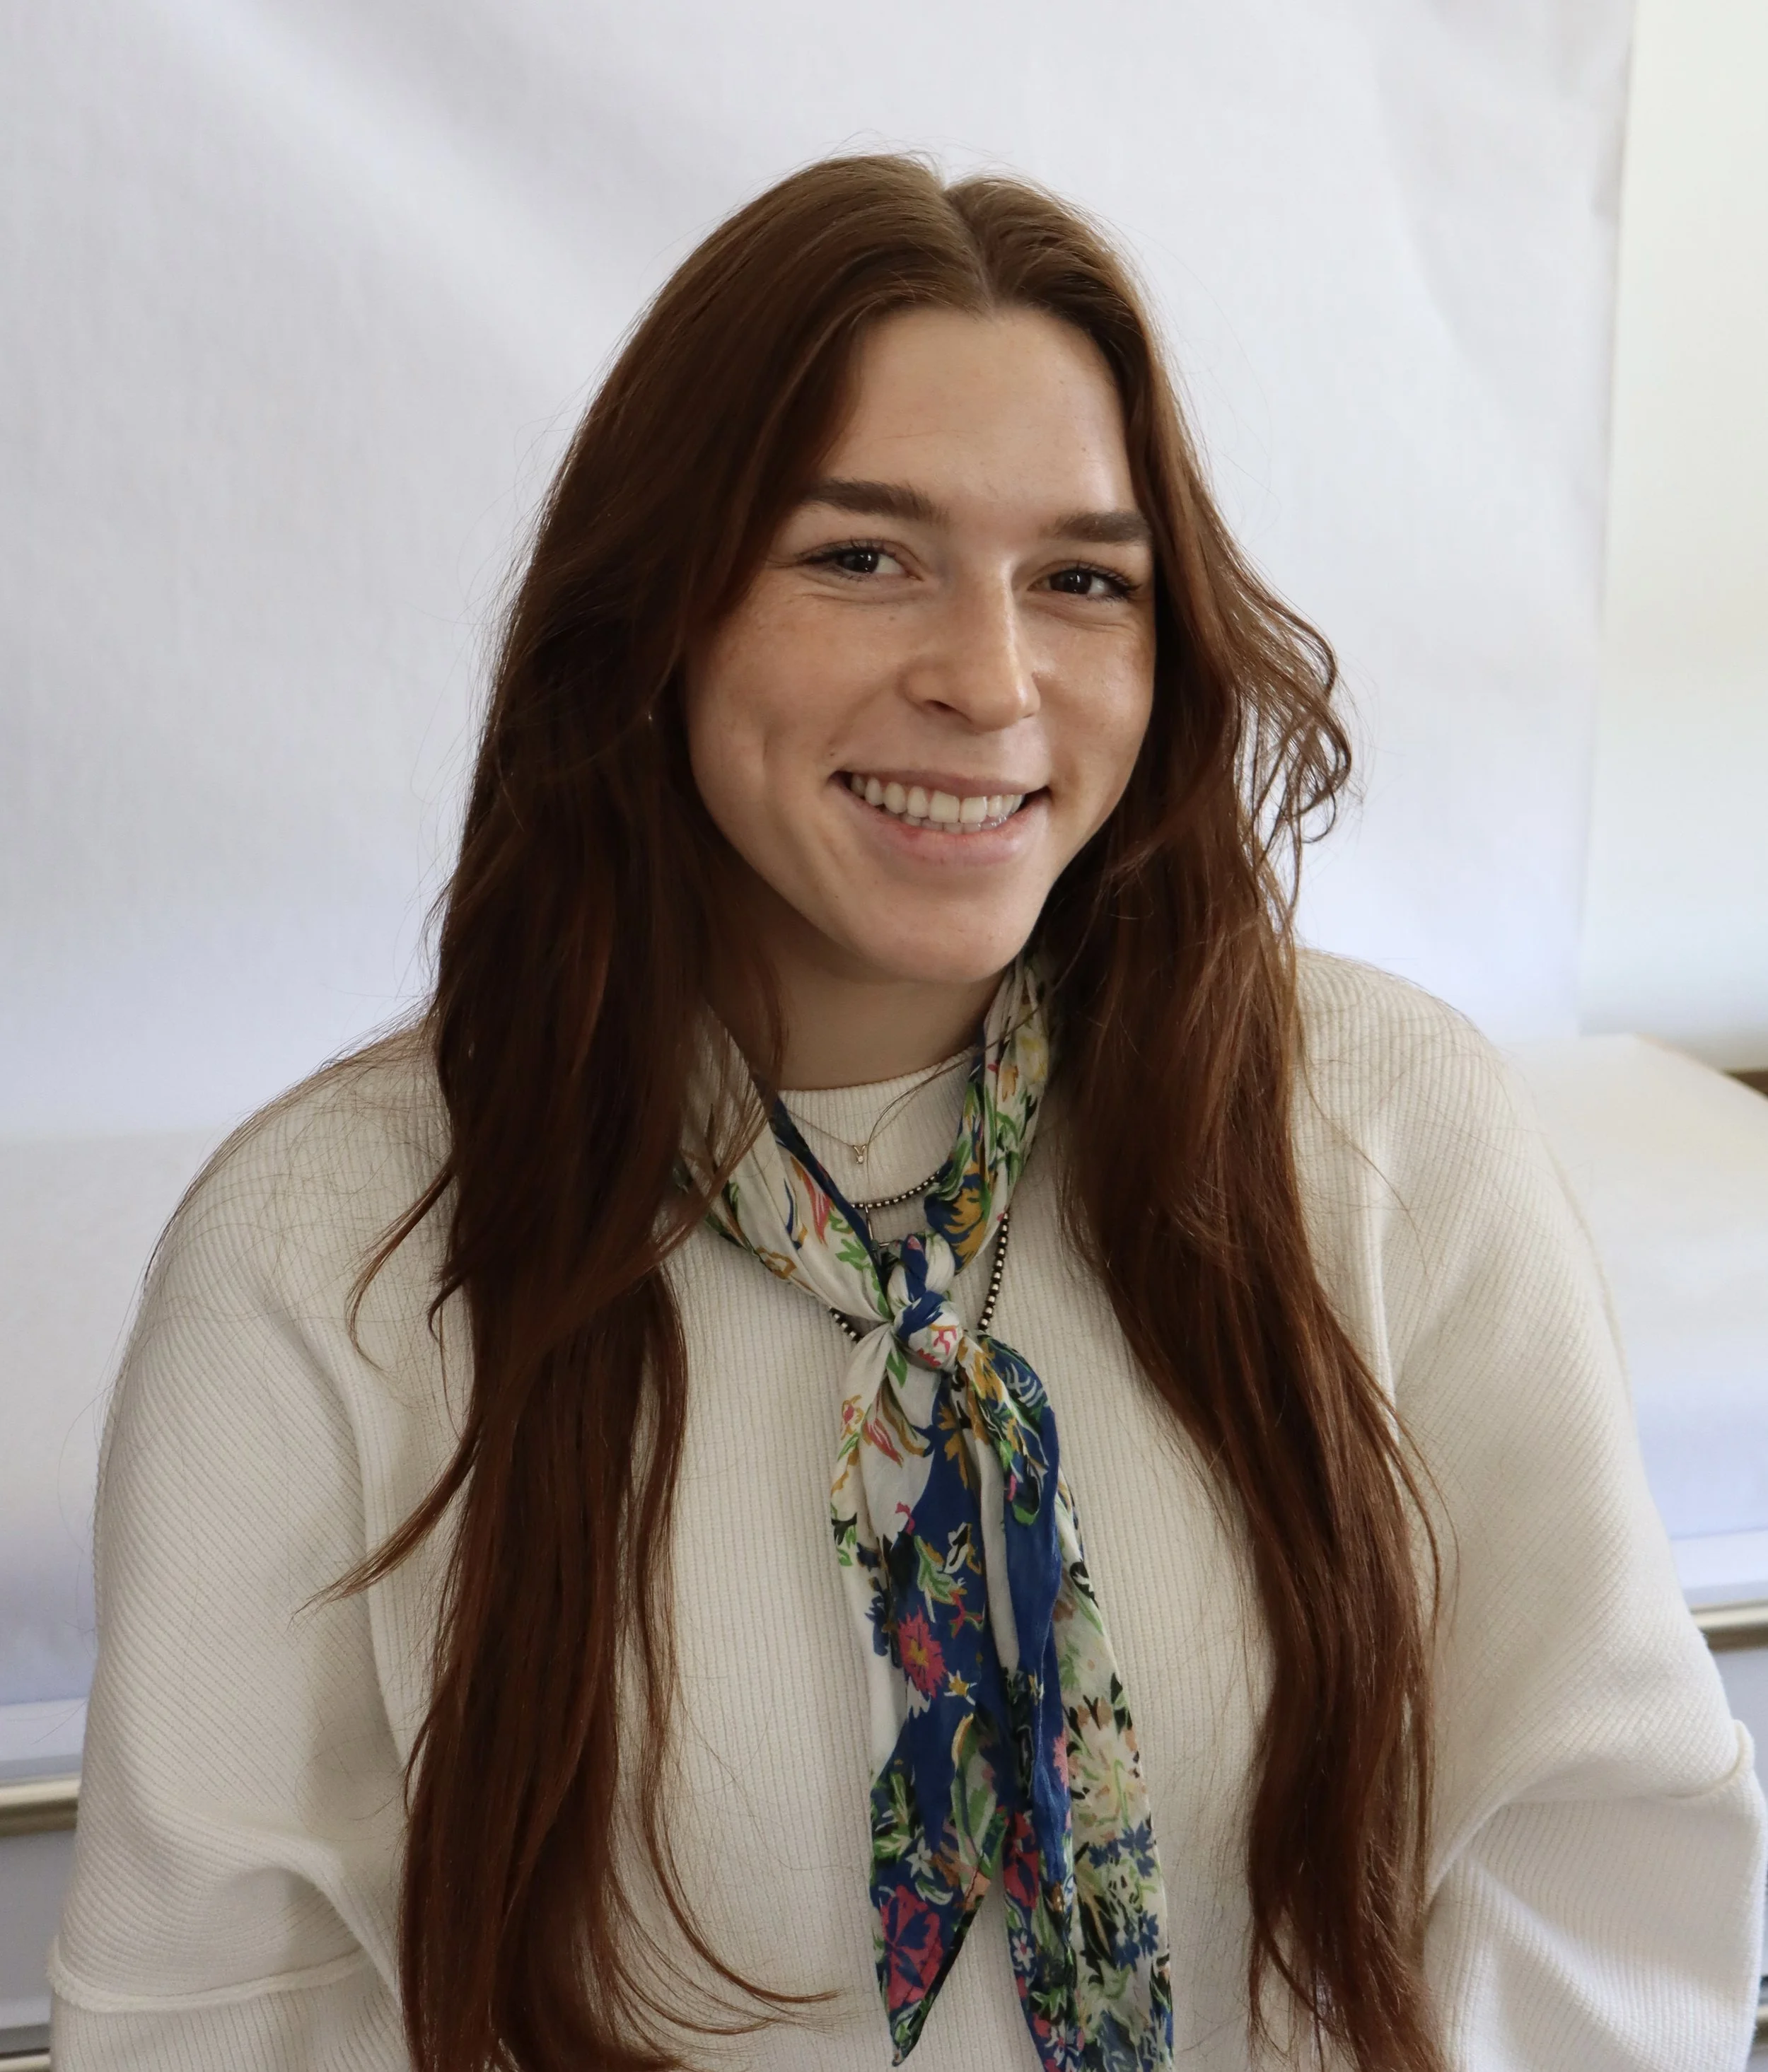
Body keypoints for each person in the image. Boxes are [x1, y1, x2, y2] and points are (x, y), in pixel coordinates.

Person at [49, 156, 1764, 2072]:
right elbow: (222, 2012)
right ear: (657, 612)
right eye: (859, 555)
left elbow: (1596, 1863)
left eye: (1084, 581)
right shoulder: (325, 1250)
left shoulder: (1382, 1137)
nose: (987, 676)